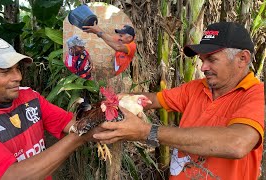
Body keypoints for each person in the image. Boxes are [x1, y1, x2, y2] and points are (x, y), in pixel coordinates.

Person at [93, 22, 264, 179]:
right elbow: (153, 99)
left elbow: (237, 143)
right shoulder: (196, 88)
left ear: (242, 59)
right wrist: (124, 100)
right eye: (202, 60)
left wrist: (146, 132)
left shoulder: (256, 94)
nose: (203, 67)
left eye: (212, 60)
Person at [0, 36, 99, 180]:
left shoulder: (28, 96)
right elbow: (12, 176)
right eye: (5, 71)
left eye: (17, 68)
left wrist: (105, 115)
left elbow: (69, 123)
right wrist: (79, 136)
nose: (18, 77)